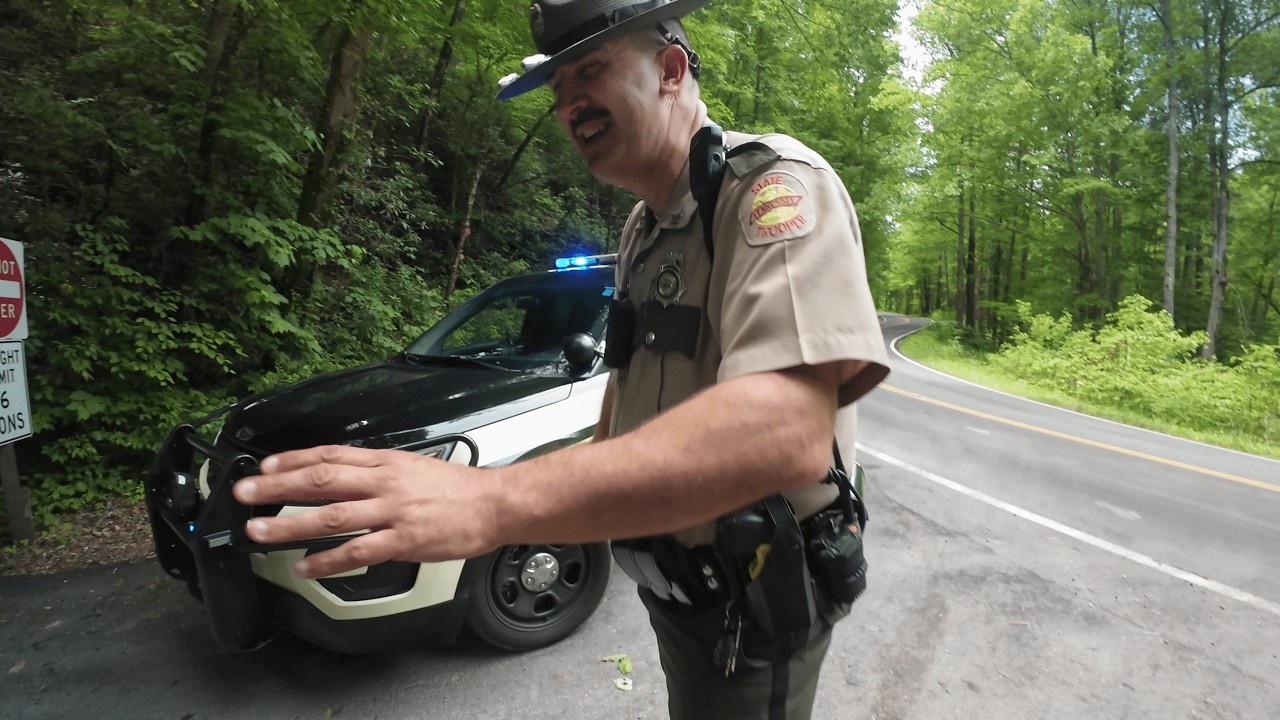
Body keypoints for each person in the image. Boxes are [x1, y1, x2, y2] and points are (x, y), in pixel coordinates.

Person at [233, 1, 889, 717]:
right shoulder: (643, 225)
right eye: (557, 89)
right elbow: (627, 389)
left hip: (755, 604)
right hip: (676, 592)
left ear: (671, 69)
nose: (570, 105)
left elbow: (783, 434)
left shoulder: (769, 188)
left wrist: (491, 503)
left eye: (592, 71)